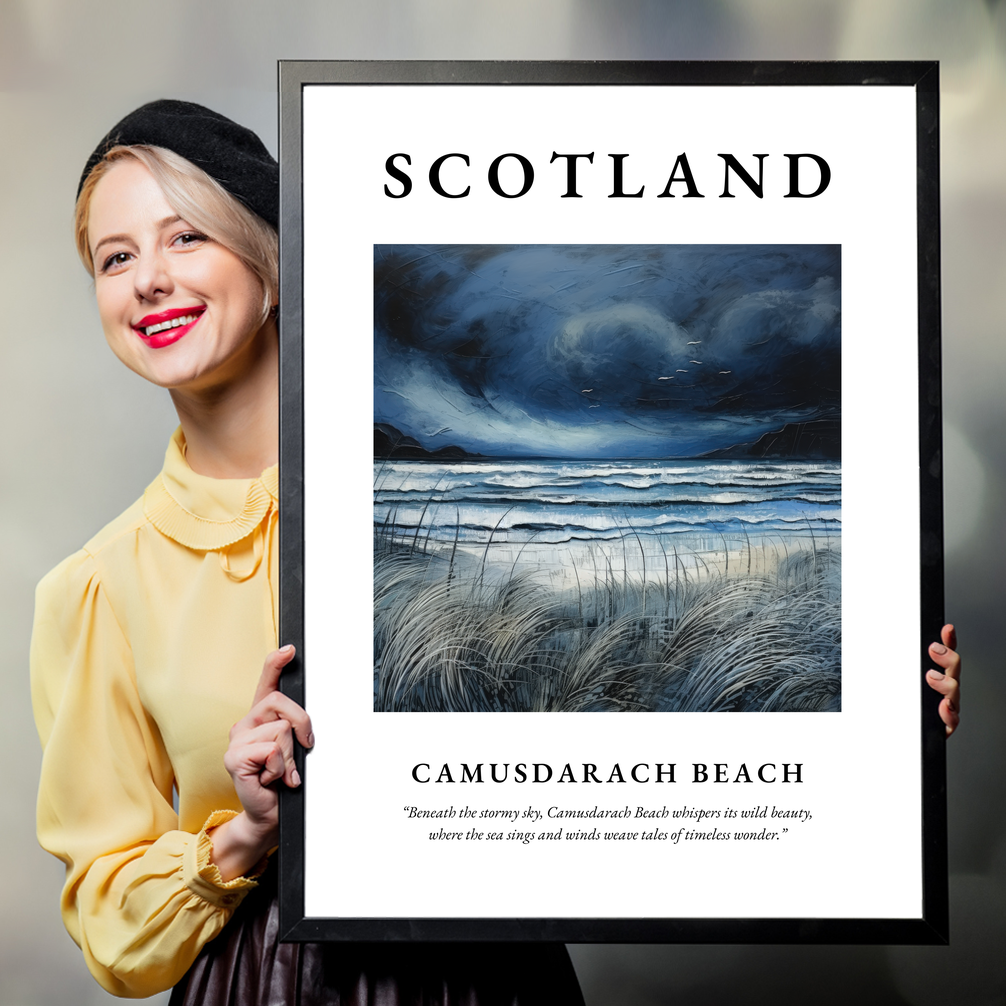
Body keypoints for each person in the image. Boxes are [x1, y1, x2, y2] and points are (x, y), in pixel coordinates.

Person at [30, 100, 585, 1004]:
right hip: (263, 981)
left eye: (186, 239)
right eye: (116, 257)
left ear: (274, 264)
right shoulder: (98, 587)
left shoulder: (461, 505)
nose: (148, 281)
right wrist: (244, 832)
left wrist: (888, 711)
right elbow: (110, 924)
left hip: (492, 974)